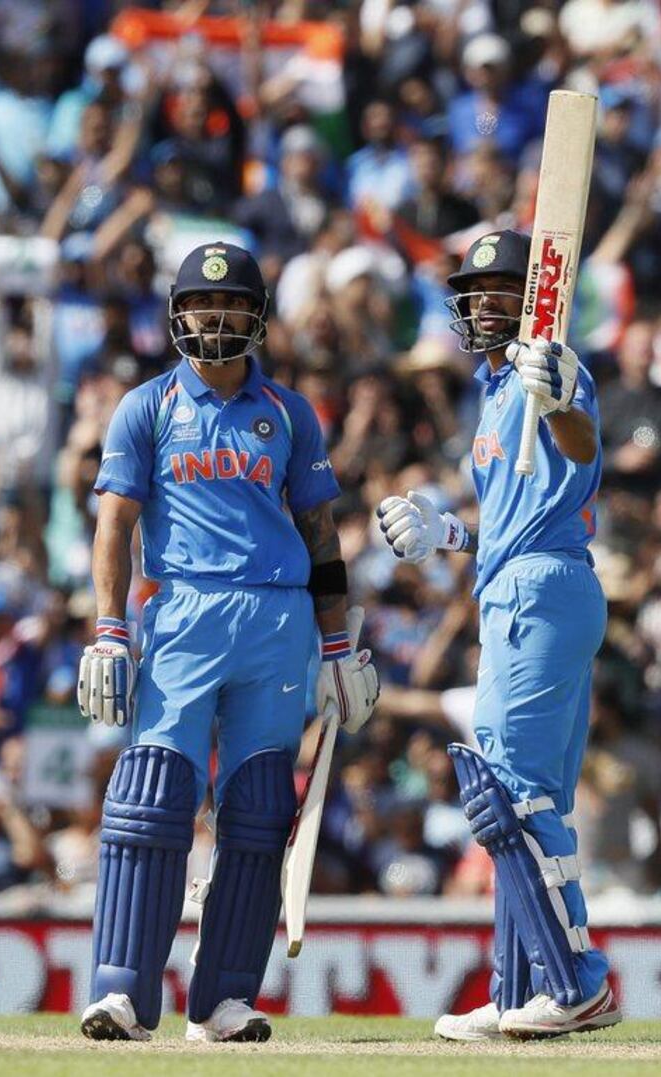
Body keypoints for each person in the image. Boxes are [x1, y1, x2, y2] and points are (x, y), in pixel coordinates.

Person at [76, 242, 379, 1044]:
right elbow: (115, 523)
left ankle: (222, 1001)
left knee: (257, 809)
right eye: (200, 307)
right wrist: (109, 629)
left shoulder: (286, 413)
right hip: (183, 613)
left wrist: (338, 645)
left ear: (256, 316)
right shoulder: (146, 407)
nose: (215, 319)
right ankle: (123, 994)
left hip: (278, 624)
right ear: (177, 316)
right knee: (152, 795)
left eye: (230, 306)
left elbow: (321, 535)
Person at [377, 230, 621, 1039]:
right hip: (524, 580)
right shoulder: (491, 392)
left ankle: (576, 980)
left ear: (531, 298)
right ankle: (522, 988)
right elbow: (516, 519)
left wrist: (555, 401)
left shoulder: (553, 367)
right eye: (472, 290)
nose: (480, 303)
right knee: (527, 796)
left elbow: (582, 448)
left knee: (511, 792)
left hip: (542, 588)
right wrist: (448, 534)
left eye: (497, 289)